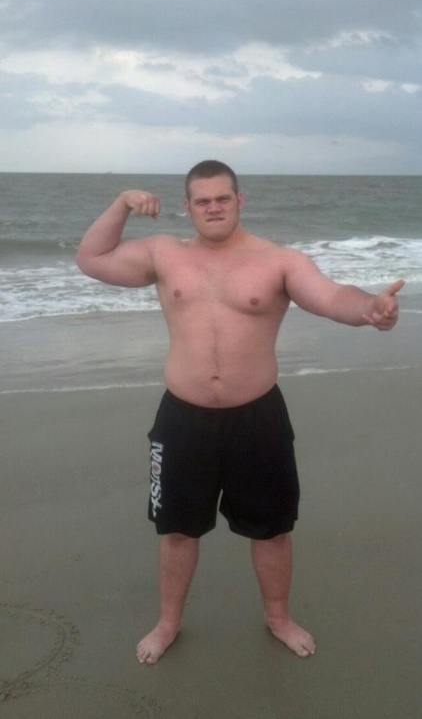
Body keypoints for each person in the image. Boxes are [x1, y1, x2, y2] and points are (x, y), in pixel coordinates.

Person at [76, 160, 404, 665]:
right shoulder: (165, 255)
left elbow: (331, 296)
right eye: (202, 200)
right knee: (177, 530)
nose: (213, 207)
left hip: (258, 420)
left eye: (222, 198)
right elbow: (92, 258)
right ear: (187, 207)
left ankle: (278, 617)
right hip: (182, 421)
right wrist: (121, 203)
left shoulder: (278, 261)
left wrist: (369, 311)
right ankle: (168, 623)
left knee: (272, 530)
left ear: (239, 201)